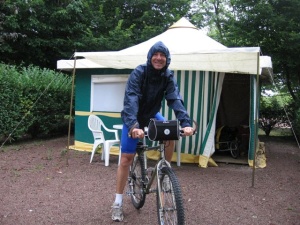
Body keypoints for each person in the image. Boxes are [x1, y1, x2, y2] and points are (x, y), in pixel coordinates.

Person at [111, 41, 194, 222]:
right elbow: (131, 98)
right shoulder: (139, 73)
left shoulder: (168, 76)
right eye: (155, 55)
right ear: (150, 57)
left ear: (167, 59)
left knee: (171, 133)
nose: (159, 58)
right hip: (133, 116)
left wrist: (185, 123)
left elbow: (175, 99)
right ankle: (117, 202)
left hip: (151, 114)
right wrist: (134, 126)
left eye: (162, 55)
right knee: (126, 158)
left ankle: (165, 172)